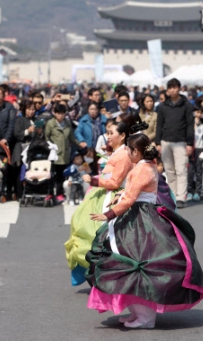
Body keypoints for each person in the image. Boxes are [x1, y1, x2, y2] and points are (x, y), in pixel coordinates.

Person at [86, 134, 203, 329]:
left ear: (137, 151)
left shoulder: (143, 168)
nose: (126, 153)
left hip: (142, 218)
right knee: (129, 262)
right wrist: (120, 195)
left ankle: (145, 317)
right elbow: (130, 193)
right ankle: (138, 313)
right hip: (138, 216)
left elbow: (130, 198)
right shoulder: (144, 166)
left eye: (129, 150)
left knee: (137, 263)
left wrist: (108, 214)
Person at [65, 120, 133, 286]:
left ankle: (98, 270)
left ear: (123, 136)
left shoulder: (124, 154)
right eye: (107, 133)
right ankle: (91, 269)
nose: (108, 136)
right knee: (83, 225)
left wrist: (93, 181)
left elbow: (116, 182)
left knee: (94, 232)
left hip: (111, 197)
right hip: (103, 193)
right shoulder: (118, 152)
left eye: (111, 133)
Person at [155, 78, 194, 208]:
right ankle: (172, 195)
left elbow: (190, 124)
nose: (172, 90)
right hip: (165, 141)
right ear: (167, 90)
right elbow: (159, 125)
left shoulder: (186, 105)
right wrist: (158, 142)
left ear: (179, 88)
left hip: (181, 141)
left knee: (181, 170)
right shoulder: (162, 106)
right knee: (170, 170)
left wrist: (189, 143)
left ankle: (181, 196)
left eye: (175, 87)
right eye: (170, 87)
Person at [45, 103, 86, 203]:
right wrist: (50, 147)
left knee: (62, 175)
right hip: (54, 154)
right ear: (55, 113)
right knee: (51, 175)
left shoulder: (67, 123)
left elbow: (71, 137)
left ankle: (60, 193)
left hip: (65, 154)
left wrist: (79, 144)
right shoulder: (50, 123)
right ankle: (50, 193)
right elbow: (46, 137)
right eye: (58, 113)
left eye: (62, 113)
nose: (60, 115)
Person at [12, 100, 37, 198]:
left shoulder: (35, 120)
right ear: (24, 110)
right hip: (21, 149)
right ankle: (19, 193)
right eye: (29, 109)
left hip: (32, 149)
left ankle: (31, 191)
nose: (31, 111)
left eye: (33, 109)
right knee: (20, 171)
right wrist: (27, 131)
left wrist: (39, 132)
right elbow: (17, 134)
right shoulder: (20, 120)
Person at [187, 106, 203, 201]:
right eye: (197, 112)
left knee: (199, 172)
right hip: (191, 149)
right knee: (190, 171)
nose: (199, 114)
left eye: (201, 112)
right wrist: (193, 126)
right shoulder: (190, 124)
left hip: (200, 149)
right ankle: (189, 191)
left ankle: (198, 192)